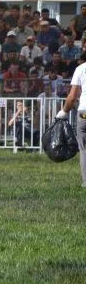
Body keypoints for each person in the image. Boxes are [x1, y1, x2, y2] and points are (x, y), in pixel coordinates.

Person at [56, 50, 86, 187]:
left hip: (84, 112)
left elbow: (73, 96)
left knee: (84, 149)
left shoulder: (80, 69)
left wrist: (63, 111)